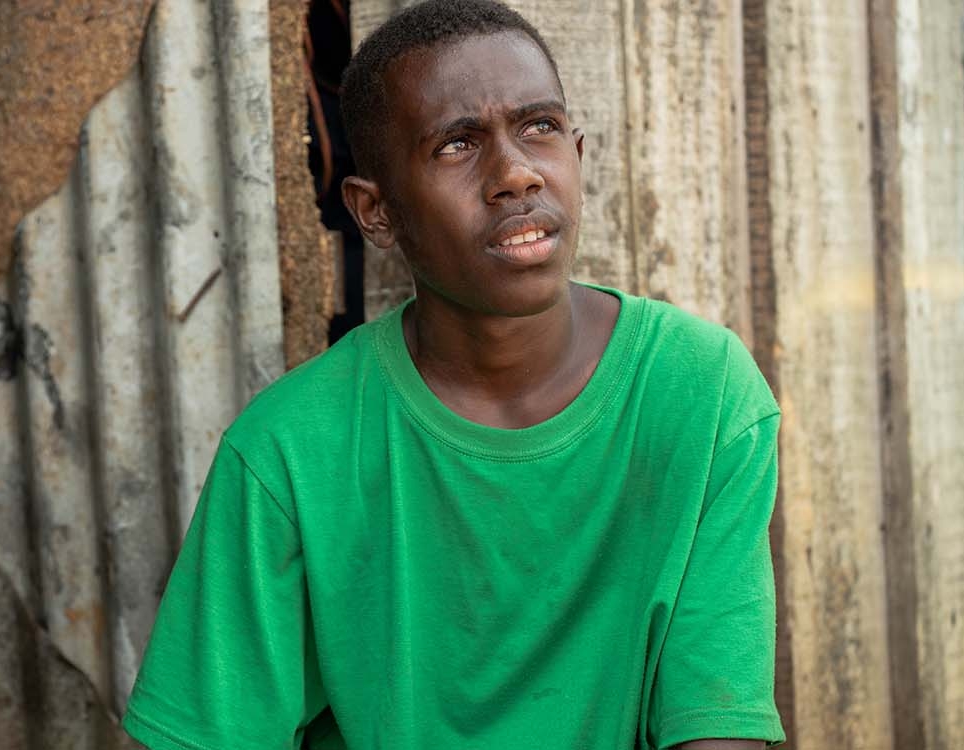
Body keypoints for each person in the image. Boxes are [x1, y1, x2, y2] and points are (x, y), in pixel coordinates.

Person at [121, 1, 785, 747]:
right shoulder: (288, 453)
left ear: (579, 153)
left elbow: (717, 719)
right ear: (376, 214)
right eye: (457, 144)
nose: (515, 174)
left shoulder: (701, 393)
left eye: (539, 127)